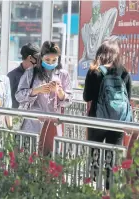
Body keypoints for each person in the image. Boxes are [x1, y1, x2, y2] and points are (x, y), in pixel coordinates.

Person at [83, 40, 132, 192]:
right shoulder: (123, 72)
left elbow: (86, 96)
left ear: (100, 53)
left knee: (95, 154)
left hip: (97, 120)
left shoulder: (94, 71)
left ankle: (94, 189)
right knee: (112, 157)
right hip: (117, 122)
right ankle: (108, 191)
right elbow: (128, 98)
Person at [15, 41, 72, 134]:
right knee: (32, 147)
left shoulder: (63, 74)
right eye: (47, 60)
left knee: (51, 147)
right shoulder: (31, 72)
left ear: (59, 59)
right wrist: (36, 90)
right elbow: (18, 96)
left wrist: (60, 92)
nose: (50, 63)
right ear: (41, 58)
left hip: (54, 124)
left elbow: (69, 100)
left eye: (54, 60)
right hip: (32, 124)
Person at [7, 43, 40, 108]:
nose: (39, 61)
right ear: (30, 57)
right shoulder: (12, 76)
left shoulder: (40, 74)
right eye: (38, 58)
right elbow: (9, 100)